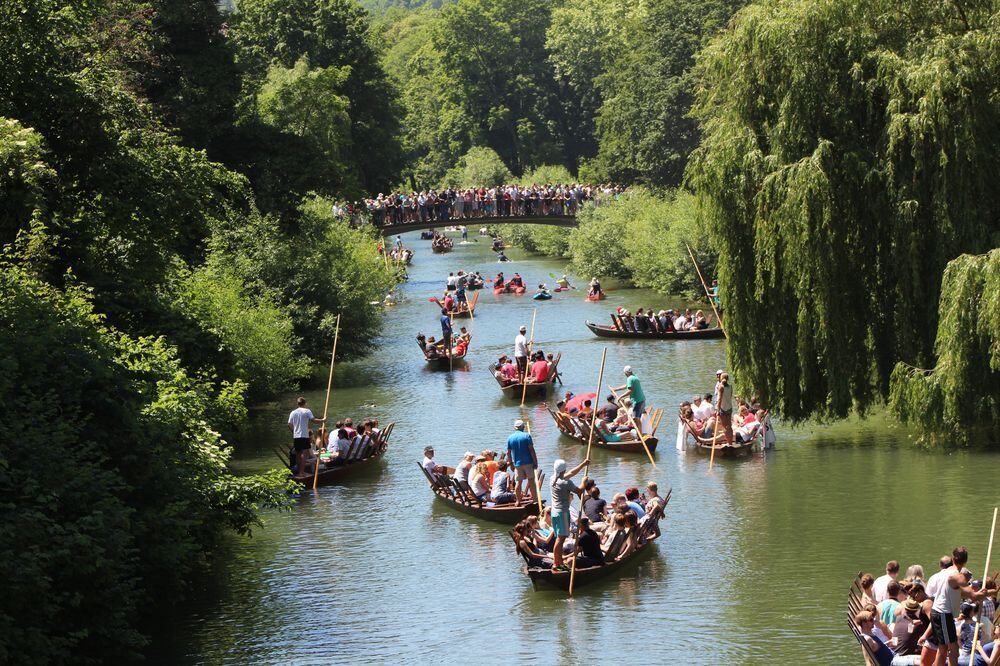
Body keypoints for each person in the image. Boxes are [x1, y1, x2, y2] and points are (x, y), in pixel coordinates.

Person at [549, 458, 589, 572]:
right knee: (560, 539)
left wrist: (583, 464)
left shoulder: (553, 479)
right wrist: (584, 482)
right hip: (562, 513)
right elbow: (579, 491)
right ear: (563, 470)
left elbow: (571, 473)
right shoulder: (566, 483)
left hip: (554, 512)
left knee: (559, 538)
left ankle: (559, 563)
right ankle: (556, 564)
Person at [287, 397, 324, 475]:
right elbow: (313, 420)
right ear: (305, 403)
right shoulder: (307, 411)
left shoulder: (293, 412)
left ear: (297, 404)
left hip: (296, 436)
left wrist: (294, 432)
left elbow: (289, 424)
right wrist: (323, 420)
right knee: (305, 454)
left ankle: (299, 472)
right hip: (304, 435)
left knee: (298, 454)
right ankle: (301, 472)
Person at [506, 420, 538, 503]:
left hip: (517, 464)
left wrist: (511, 464)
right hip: (528, 462)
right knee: (531, 481)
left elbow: (508, 453)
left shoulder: (510, 438)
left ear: (515, 428)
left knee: (518, 482)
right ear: (523, 427)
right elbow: (531, 450)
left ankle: (518, 501)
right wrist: (535, 461)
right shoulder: (527, 436)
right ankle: (535, 499)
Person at [715, 372, 734, 444]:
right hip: (729, 407)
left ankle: (728, 442)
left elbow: (719, 399)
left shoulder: (721, 387)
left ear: (721, 378)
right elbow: (730, 396)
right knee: (729, 426)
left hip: (723, 408)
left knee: (725, 427)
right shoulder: (730, 387)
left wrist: (718, 410)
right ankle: (730, 442)